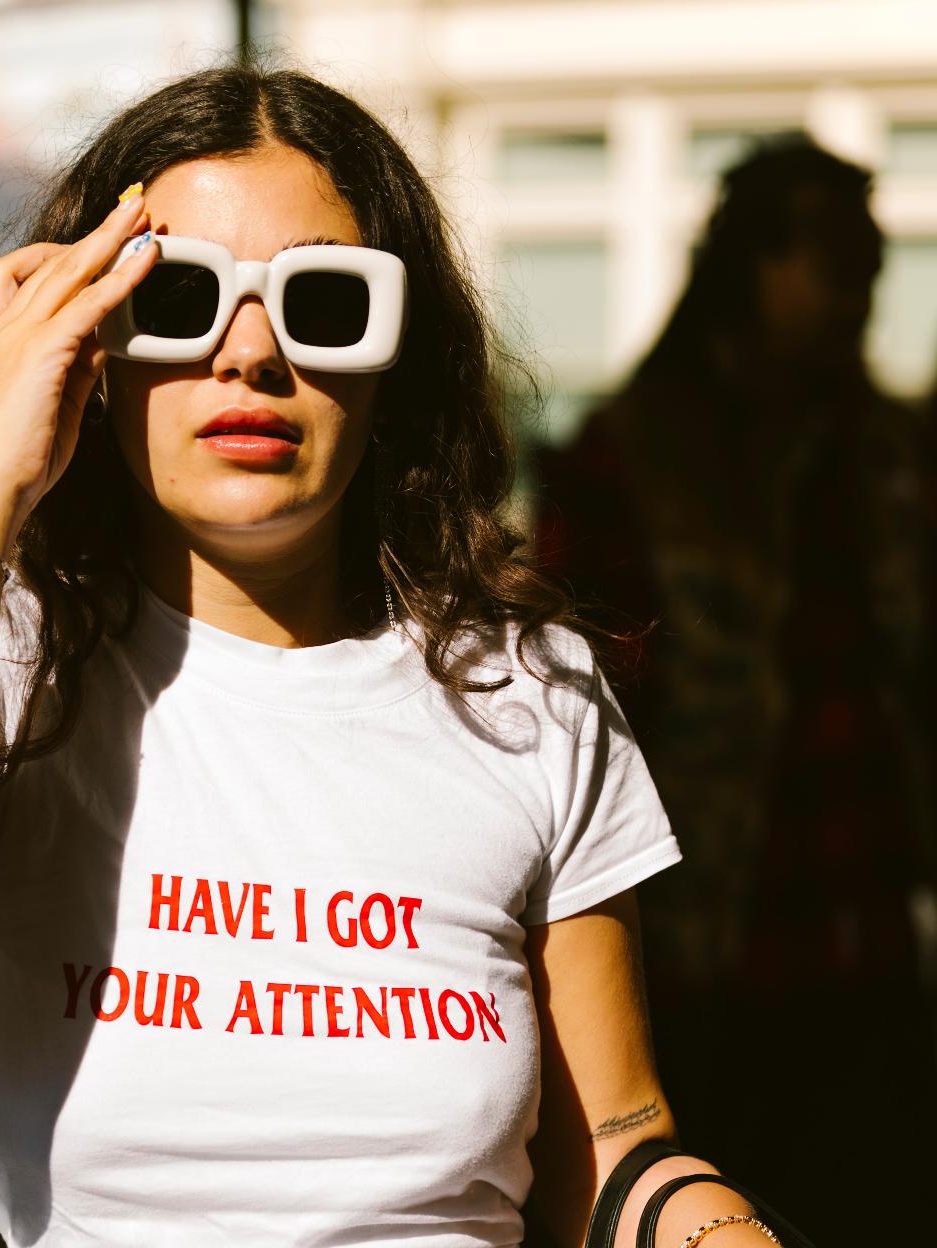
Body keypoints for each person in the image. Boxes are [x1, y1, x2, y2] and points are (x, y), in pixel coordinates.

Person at [0, 66, 791, 1247]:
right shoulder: (5, 656)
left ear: (393, 364)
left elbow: (614, 1144)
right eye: (176, 297)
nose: (250, 354)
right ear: (90, 343)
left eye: (324, 303)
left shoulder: (531, 690)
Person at [535, 134, 937, 1245]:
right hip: (701, 946)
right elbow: (574, 705)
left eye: (871, 262)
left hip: (869, 939)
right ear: (749, 265)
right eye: (833, 259)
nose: (861, 290)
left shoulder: (890, 448)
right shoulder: (632, 454)